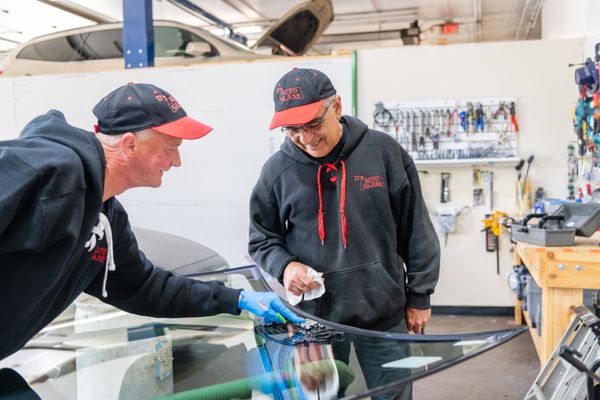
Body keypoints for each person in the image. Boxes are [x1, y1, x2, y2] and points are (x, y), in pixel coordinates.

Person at [0, 83, 303, 398]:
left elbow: (142, 287)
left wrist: (236, 301)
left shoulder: (106, 218)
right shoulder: (46, 168)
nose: (177, 162)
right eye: (171, 147)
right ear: (130, 144)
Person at [248, 68, 441, 399]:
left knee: (392, 395)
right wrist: (286, 266)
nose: (307, 139)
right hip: (314, 323)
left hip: (383, 316)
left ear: (335, 107)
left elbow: (416, 228)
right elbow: (261, 237)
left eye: (313, 124)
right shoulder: (278, 171)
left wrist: (419, 295)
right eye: (293, 129)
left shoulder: (383, 153)